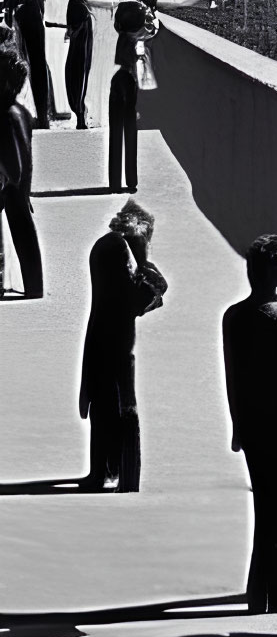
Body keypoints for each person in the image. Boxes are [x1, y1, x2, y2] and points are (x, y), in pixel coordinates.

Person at [223, 235, 277, 614]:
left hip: (252, 428)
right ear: (273, 271)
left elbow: (232, 378)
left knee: (266, 508)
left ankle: (259, 592)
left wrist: (238, 425)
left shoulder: (234, 316)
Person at [79, 200, 167, 491]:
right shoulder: (118, 251)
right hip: (113, 344)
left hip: (107, 340)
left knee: (106, 408)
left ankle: (106, 470)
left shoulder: (110, 246)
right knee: (115, 409)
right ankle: (111, 472)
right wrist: (156, 284)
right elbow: (130, 303)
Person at [0, 51, 43, 298]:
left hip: (8, 182)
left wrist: (8, 179)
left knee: (18, 232)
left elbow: (13, 160)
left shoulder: (6, 114)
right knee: (25, 233)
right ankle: (34, 286)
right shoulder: (21, 112)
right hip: (18, 183)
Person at [108, 0, 154, 194]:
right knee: (129, 133)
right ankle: (130, 180)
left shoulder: (125, 37)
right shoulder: (136, 41)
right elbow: (151, 32)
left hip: (120, 81)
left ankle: (115, 182)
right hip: (128, 82)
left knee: (116, 135)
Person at [12, 0, 51, 129]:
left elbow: (17, 4)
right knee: (39, 67)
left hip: (28, 27)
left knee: (32, 67)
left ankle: (40, 116)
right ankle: (43, 116)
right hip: (36, 26)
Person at [63, 0, 94, 129]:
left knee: (75, 82)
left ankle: (80, 116)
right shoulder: (81, 5)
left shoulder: (75, 4)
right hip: (82, 51)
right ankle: (81, 117)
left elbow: (71, 29)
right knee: (79, 81)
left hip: (77, 51)